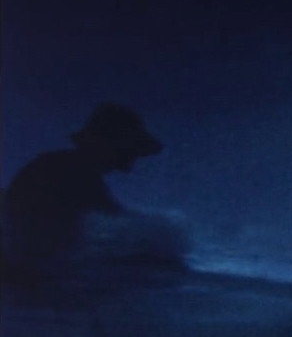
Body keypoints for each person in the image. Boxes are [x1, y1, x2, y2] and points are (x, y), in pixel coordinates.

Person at [2, 103, 181, 276]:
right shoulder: (72, 173)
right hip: (22, 274)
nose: (130, 162)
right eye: (130, 151)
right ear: (111, 144)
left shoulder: (66, 168)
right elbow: (116, 217)